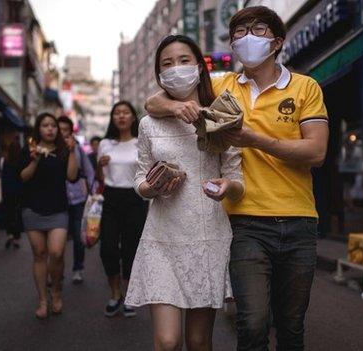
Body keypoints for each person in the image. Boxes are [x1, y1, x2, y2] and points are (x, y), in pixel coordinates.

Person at [145, 7, 329, 350]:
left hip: (299, 219)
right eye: (239, 32)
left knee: (291, 326)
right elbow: (154, 101)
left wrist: (254, 139)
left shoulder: (306, 88)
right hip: (245, 223)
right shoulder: (221, 85)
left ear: (277, 42)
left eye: (257, 30)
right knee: (253, 323)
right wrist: (173, 108)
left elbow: (316, 152)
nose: (246, 38)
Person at [125, 34, 245, 351]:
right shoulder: (148, 123)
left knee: (198, 341)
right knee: (166, 342)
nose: (176, 69)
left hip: (208, 238)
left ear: (199, 67)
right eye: (167, 64)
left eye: (183, 61)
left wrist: (227, 187)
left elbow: (236, 178)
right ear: (159, 74)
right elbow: (140, 176)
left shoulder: (220, 118)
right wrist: (149, 187)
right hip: (161, 238)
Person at [19, 112, 78, 319]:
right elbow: (23, 177)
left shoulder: (63, 150)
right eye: (45, 125)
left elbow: (72, 177)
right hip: (33, 209)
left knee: (57, 252)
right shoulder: (30, 149)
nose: (50, 129)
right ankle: (43, 300)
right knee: (39, 255)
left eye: (53, 125)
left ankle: (57, 292)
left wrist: (72, 151)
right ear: (39, 129)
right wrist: (34, 161)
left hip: (58, 209)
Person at [97, 101, 148, 318]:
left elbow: (147, 173)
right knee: (107, 248)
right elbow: (101, 178)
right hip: (110, 197)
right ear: (112, 118)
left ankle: (128, 296)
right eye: (116, 113)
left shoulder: (141, 143)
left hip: (135, 198)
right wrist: (100, 165)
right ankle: (114, 293)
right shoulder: (105, 144)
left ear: (133, 118)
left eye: (125, 112)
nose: (121, 116)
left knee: (130, 250)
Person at [57, 115, 95, 284]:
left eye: (66, 130)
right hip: (58, 200)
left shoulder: (78, 149)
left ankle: (78, 268)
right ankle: (56, 271)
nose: (62, 133)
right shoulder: (49, 149)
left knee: (79, 235)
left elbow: (89, 171)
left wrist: (93, 194)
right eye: (60, 129)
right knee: (58, 240)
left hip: (78, 198)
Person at [1, 138, 23, 250]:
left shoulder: (6, 162)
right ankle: (16, 238)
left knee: (9, 214)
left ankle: (9, 235)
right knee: (17, 215)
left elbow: (3, 179)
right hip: (18, 192)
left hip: (7, 192)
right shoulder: (20, 161)